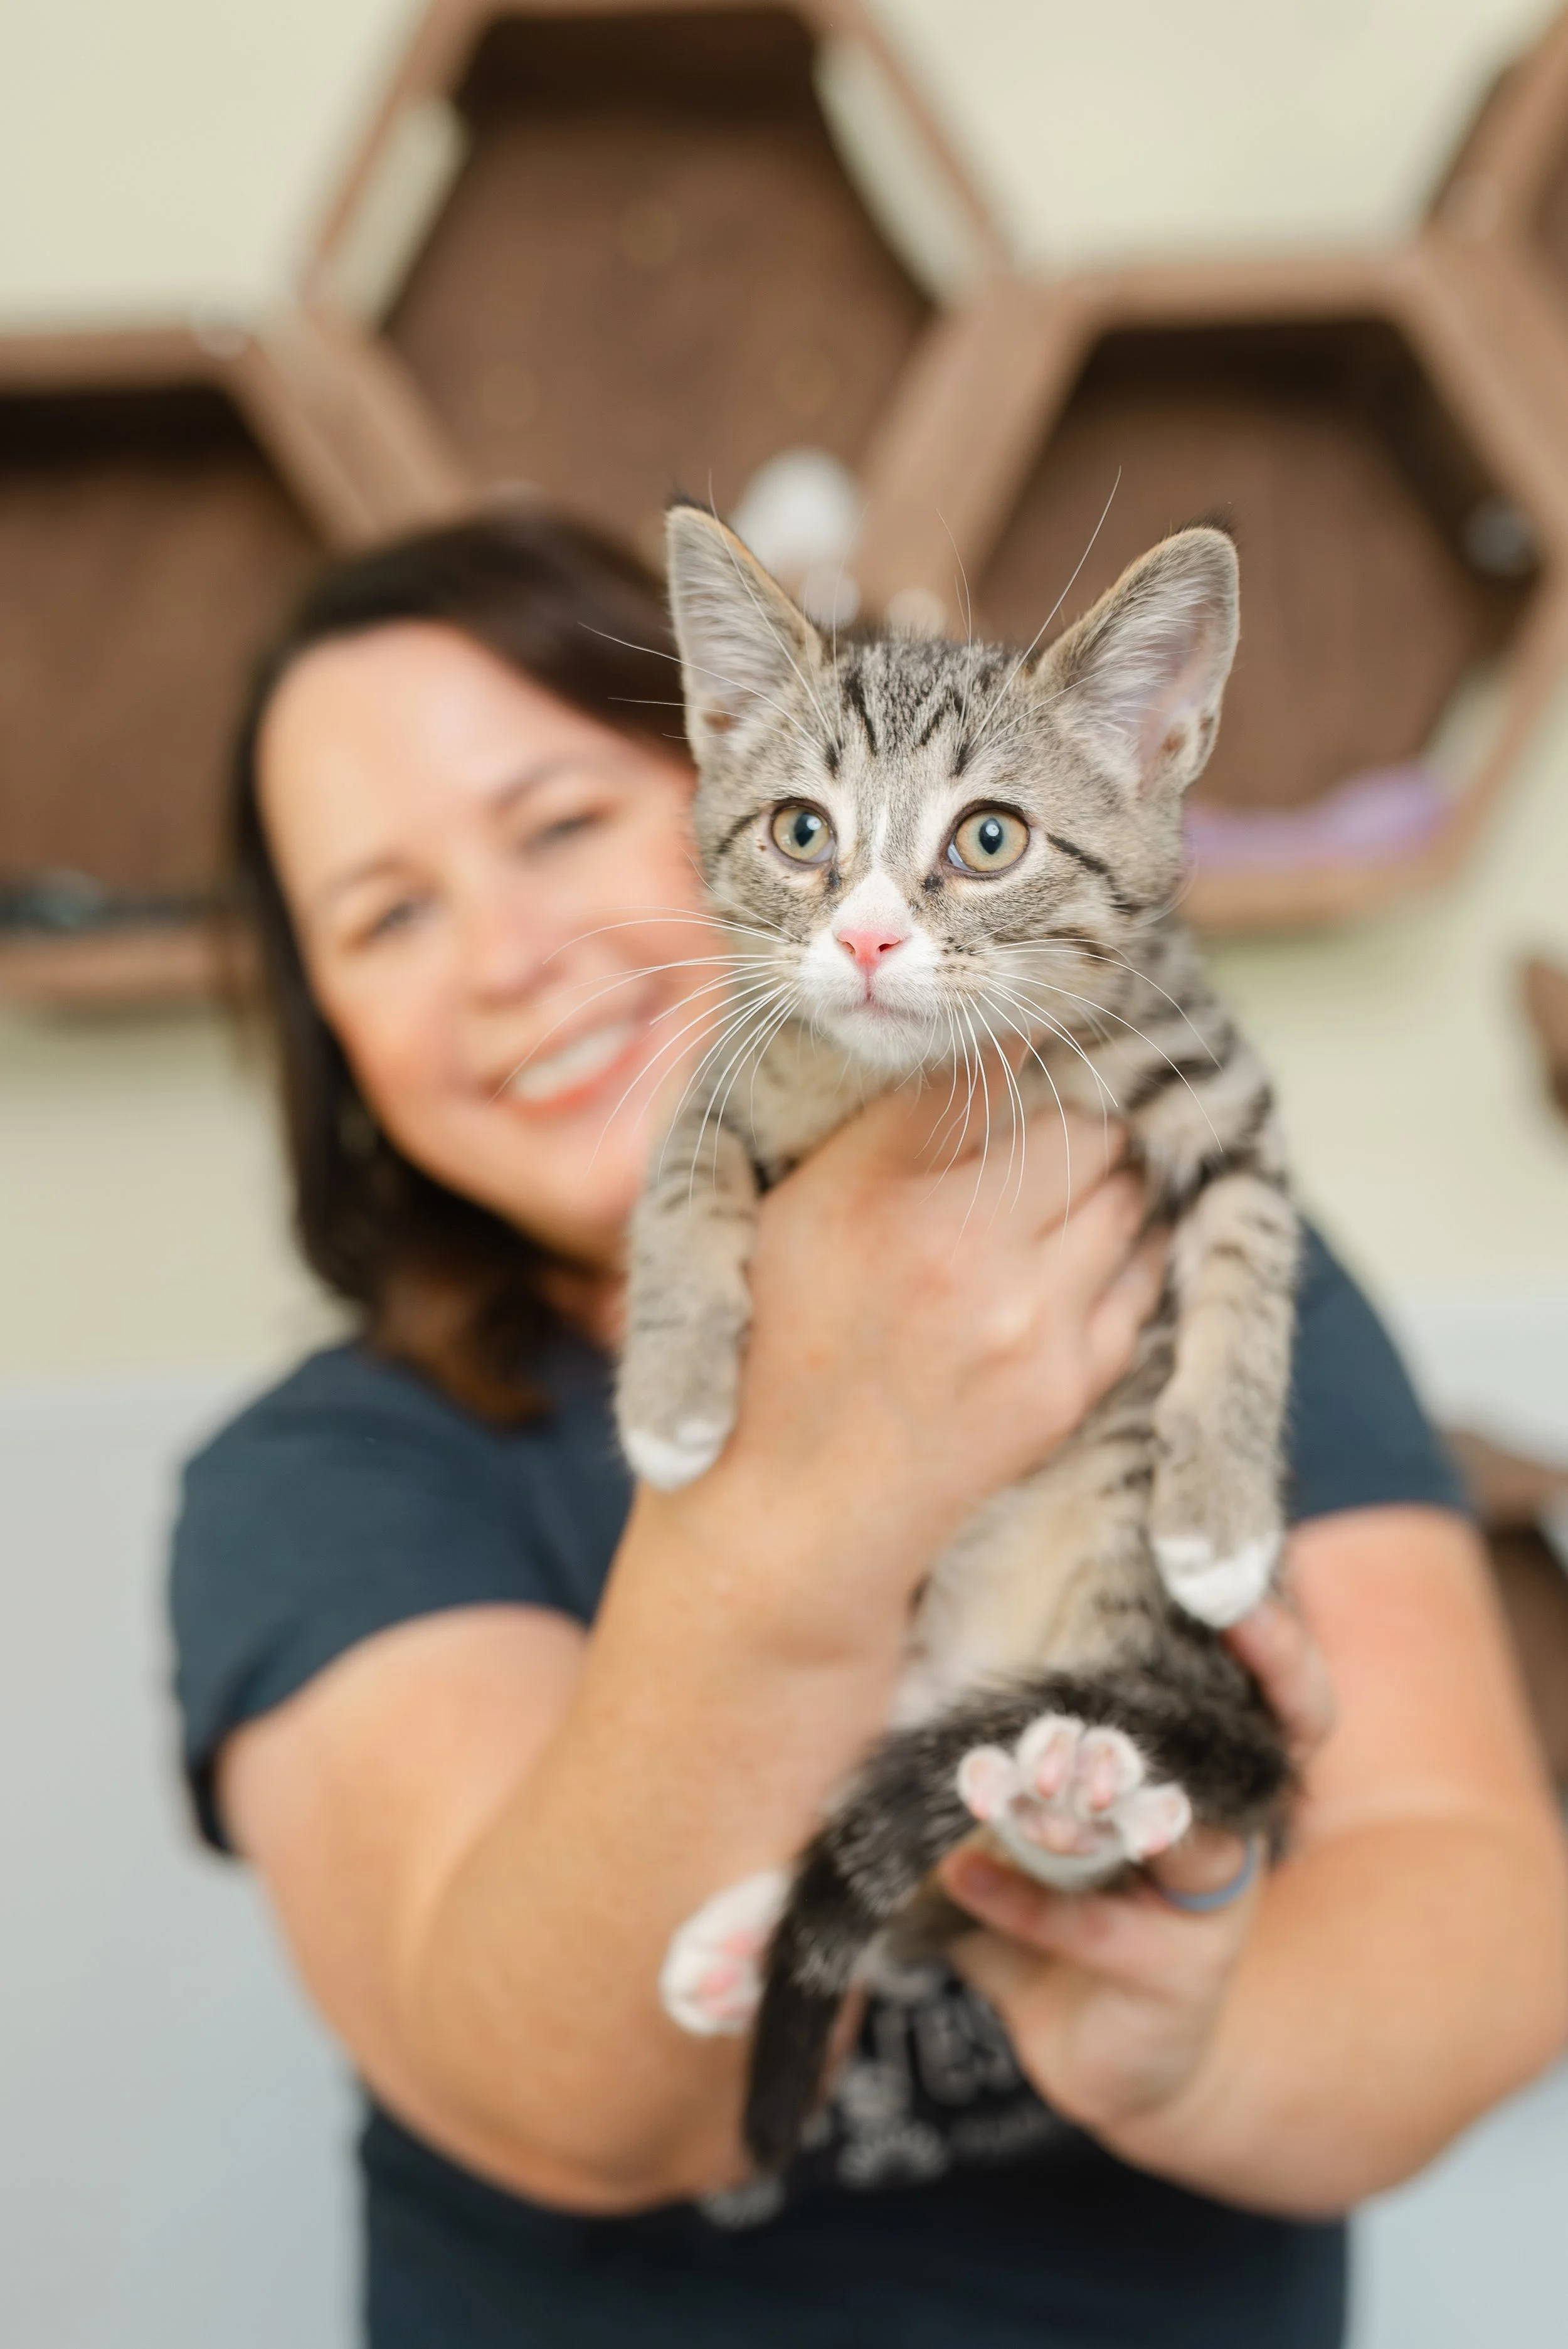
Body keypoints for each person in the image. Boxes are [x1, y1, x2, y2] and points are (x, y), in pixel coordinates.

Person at [170, 509, 1568, 2349]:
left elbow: (1488, 1928)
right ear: (326, 1024)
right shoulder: (320, 1480)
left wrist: (1183, 2048)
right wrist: (819, 1470)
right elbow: (568, 2107)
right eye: (388, 913)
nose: (508, 955)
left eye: (558, 826)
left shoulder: (1189, 1230)